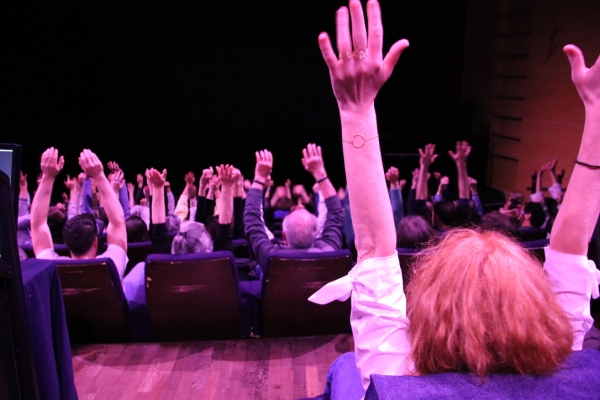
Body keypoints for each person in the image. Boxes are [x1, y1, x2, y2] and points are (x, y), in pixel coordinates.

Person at [308, 1, 600, 398]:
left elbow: (374, 246)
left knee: (343, 371)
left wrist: (355, 107)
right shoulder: (572, 371)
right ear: (539, 310)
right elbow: (573, 247)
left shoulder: (394, 377)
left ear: (430, 309)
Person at [31, 148, 128, 280]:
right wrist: (99, 174)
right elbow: (117, 222)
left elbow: (37, 224)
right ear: (95, 242)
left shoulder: (50, 267)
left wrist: (47, 177)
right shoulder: (112, 266)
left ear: (66, 243)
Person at [244, 144, 344, 271]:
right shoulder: (330, 253)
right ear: (316, 234)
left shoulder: (271, 258)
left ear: (284, 237)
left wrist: (259, 178)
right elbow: (335, 214)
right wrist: (320, 173)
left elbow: (252, 219)